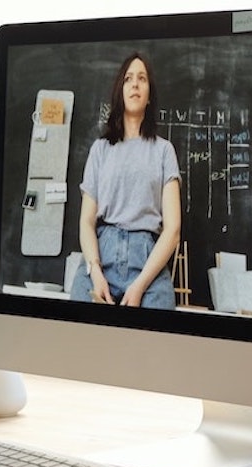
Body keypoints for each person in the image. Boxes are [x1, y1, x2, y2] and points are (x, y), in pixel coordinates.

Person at [68, 52, 181, 309]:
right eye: (129, 78)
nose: (135, 84)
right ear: (121, 89)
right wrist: (94, 270)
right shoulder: (100, 149)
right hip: (101, 255)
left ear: (149, 95)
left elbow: (173, 230)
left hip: (148, 262)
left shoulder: (164, 151)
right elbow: (86, 221)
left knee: (156, 343)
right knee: (79, 339)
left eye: (142, 78)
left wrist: (140, 285)